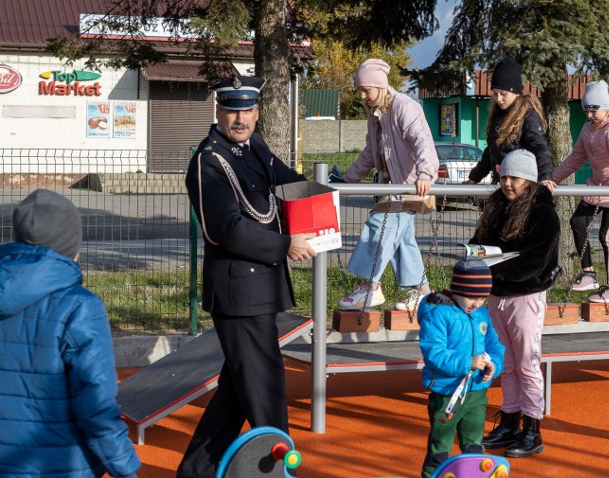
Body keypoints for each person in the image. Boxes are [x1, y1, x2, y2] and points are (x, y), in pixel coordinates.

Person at [177, 75, 317, 478]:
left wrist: (347, 193)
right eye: (232, 110)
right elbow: (225, 228)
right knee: (265, 390)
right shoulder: (208, 159)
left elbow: (291, 182)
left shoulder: (253, 146)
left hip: (260, 288)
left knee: (239, 393)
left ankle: (195, 472)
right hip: (239, 293)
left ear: (257, 112)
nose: (241, 118)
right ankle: (279, 470)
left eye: (248, 110)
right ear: (218, 111)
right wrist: (284, 245)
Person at [0, 189, 141, 478]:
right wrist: (125, 468)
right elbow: (95, 405)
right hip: (61, 464)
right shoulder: (80, 307)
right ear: (72, 246)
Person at [471, 149, 560, 458]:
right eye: (505, 176)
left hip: (526, 296)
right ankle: (509, 421)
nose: (508, 183)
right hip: (497, 295)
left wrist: (495, 270)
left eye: (516, 178)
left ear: (530, 180)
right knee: (505, 363)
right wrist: (477, 261)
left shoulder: (543, 213)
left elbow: (535, 261)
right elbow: (478, 244)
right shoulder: (496, 206)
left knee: (527, 364)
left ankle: (533, 429)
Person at [337, 58, 439, 312]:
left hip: (410, 187)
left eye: (365, 89)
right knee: (402, 240)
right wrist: (347, 180)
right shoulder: (376, 114)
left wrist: (425, 174)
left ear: (380, 86)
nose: (362, 95)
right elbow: (371, 153)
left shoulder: (405, 107)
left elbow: (424, 143)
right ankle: (423, 293)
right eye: (359, 90)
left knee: (378, 226)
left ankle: (370, 288)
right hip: (393, 187)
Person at [543, 80, 609, 303]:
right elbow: (576, 158)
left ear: (606, 107)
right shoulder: (587, 129)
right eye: (587, 110)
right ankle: (589, 273)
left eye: (595, 110)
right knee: (577, 222)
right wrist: (552, 179)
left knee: (606, 236)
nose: (591, 115)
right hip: (597, 186)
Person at [417, 256, 505, 478]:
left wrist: (494, 364)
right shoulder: (438, 314)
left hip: (476, 394)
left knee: (475, 446)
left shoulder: (481, 314)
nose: (476, 303)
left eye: (482, 298)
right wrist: (468, 362)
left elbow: (495, 345)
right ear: (455, 290)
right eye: (471, 297)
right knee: (440, 447)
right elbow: (434, 354)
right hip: (446, 394)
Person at [464, 57, 553, 184]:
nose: (498, 99)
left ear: (515, 92)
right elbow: (491, 152)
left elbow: (540, 147)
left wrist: (545, 177)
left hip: (521, 186)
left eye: (503, 94)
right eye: (495, 94)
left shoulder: (528, 115)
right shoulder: (498, 115)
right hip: (501, 185)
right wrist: (474, 178)